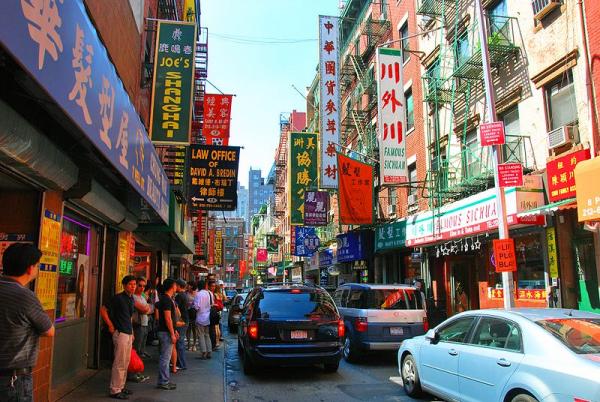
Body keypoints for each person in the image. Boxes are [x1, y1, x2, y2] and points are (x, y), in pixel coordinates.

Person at [0, 244, 54, 402]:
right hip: (13, 378)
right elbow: (49, 331)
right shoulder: (25, 296)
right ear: (30, 268)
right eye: (37, 265)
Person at [100, 275, 137, 400]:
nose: (133, 287)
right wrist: (110, 325)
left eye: (134, 284)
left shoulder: (132, 299)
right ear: (124, 285)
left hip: (128, 333)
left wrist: (132, 332)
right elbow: (103, 310)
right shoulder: (117, 298)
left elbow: (129, 317)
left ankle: (121, 386)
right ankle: (115, 389)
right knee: (119, 362)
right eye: (131, 284)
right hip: (120, 332)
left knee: (126, 362)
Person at [155, 278, 178, 390]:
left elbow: (171, 318)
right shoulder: (167, 300)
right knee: (165, 358)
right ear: (171, 286)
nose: (176, 287)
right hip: (165, 332)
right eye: (175, 285)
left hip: (165, 331)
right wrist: (172, 333)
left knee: (164, 357)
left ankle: (163, 380)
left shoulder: (166, 299)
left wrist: (174, 331)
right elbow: (168, 318)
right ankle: (164, 381)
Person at [129, 277, 150, 383]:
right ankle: (133, 373)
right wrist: (146, 308)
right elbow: (144, 309)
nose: (142, 288)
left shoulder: (142, 297)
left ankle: (137, 372)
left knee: (140, 350)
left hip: (144, 324)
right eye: (139, 285)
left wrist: (146, 308)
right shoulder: (133, 297)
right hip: (137, 325)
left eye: (144, 286)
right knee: (135, 349)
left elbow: (149, 309)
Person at [193, 280, 212, 359]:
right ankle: (209, 351)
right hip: (207, 317)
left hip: (200, 317)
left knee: (201, 335)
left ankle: (204, 352)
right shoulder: (209, 293)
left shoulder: (198, 294)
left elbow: (197, 307)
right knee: (207, 335)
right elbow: (211, 304)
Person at [174, 279, 189, 371]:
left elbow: (176, 309)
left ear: (179, 286)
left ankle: (181, 363)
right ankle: (181, 362)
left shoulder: (179, 296)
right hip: (185, 320)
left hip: (181, 321)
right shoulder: (185, 295)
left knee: (180, 342)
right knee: (180, 342)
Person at [185, 283, 199, 351]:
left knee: (194, 329)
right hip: (187, 312)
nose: (188, 287)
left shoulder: (197, 293)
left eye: (189, 286)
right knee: (188, 329)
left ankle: (194, 345)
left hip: (195, 313)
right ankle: (188, 344)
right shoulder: (186, 293)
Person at [213, 282, 225, 348]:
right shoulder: (220, 295)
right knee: (218, 327)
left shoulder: (214, 295)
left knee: (216, 327)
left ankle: (217, 341)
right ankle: (218, 340)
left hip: (215, 311)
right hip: (220, 311)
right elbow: (225, 299)